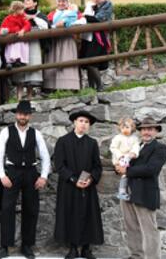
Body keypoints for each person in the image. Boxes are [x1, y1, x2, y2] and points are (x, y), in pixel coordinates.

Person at [0, 100, 51, 259]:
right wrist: (2, 176)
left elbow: (45, 156)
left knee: (31, 209)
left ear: (29, 116)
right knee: (6, 209)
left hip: (31, 172)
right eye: (20, 113)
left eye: (25, 114)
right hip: (12, 171)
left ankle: (27, 246)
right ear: (16, 115)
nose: (22, 116)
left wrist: (44, 176)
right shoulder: (6, 131)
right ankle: (4, 246)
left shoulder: (36, 133)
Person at [54, 110, 104, 259]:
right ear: (74, 122)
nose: (83, 124)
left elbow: (97, 166)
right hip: (69, 186)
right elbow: (59, 165)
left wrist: (91, 179)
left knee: (88, 215)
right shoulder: (63, 141)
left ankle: (86, 249)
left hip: (87, 187)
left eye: (86, 122)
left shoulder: (92, 143)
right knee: (70, 215)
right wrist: (73, 179)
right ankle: (73, 248)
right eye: (81, 121)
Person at [115, 117, 166, 259]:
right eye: (144, 129)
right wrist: (119, 167)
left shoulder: (160, 148)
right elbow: (124, 164)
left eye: (150, 129)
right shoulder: (135, 147)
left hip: (145, 193)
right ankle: (136, 255)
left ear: (156, 131)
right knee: (131, 227)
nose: (146, 132)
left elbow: (151, 169)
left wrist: (127, 171)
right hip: (127, 191)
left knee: (149, 229)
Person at [44, 0, 85, 92]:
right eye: (59, 1)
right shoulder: (52, 14)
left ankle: (70, 86)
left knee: (68, 60)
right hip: (55, 40)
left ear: (68, 2)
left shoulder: (74, 12)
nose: (61, 3)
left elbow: (82, 21)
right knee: (53, 61)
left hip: (68, 39)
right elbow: (47, 24)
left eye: (64, 1)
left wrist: (67, 24)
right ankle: (52, 87)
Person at [13, 0, 49, 100]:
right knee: (20, 67)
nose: (25, 2)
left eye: (28, 0)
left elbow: (45, 26)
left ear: (35, 3)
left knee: (32, 66)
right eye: (24, 0)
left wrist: (33, 18)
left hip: (34, 43)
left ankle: (29, 96)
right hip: (21, 44)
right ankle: (19, 97)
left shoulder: (40, 15)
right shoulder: (19, 14)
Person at [80, 0, 113, 91]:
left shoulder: (107, 4)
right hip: (90, 36)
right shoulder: (93, 7)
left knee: (91, 62)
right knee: (88, 62)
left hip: (99, 37)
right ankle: (91, 87)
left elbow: (99, 19)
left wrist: (85, 16)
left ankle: (99, 86)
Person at [109, 117, 140, 200]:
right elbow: (113, 148)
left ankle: (127, 191)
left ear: (132, 128)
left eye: (127, 127)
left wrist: (134, 153)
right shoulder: (118, 138)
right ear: (120, 128)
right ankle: (122, 191)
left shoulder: (134, 138)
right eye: (123, 128)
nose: (125, 130)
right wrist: (120, 155)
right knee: (124, 175)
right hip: (119, 159)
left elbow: (136, 146)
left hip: (129, 159)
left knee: (128, 175)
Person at [0, 1, 31, 68]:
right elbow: (2, 28)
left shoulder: (23, 17)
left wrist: (23, 30)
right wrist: (7, 31)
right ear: (16, 10)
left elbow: (27, 24)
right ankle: (10, 62)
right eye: (22, 9)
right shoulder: (8, 18)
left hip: (20, 37)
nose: (23, 11)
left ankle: (20, 60)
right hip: (11, 38)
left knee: (21, 45)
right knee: (11, 47)